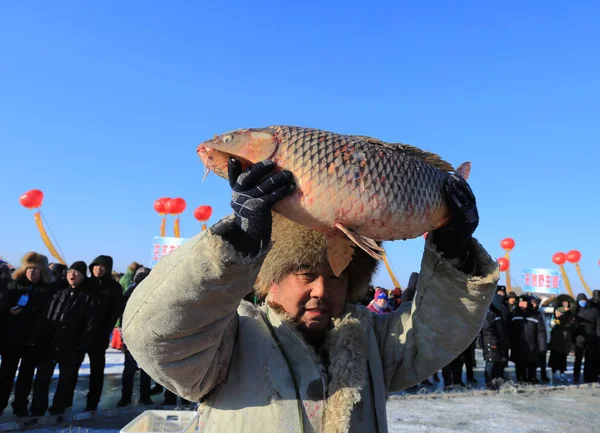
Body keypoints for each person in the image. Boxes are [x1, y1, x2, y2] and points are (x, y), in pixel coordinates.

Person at [123, 158, 499, 432]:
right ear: (271, 278)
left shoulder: (376, 342)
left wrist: (454, 252)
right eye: (305, 274)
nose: (321, 290)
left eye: (336, 277)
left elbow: (438, 331)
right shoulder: (228, 341)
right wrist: (234, 246)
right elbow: (156, 335)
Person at [26, 261, 96, 416]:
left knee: (66, 380)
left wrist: (81, 346)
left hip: (71, 345)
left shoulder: (88, 298)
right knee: (42, 378)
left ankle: (58, 409)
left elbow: (89, 326)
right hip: (49, 343)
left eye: (77, 272)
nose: (73, 274)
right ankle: (37, 409)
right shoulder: (58, 292)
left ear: (83, 276)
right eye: (71, 271)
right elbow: (45, 317)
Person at [0, 252, 54, 417]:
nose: (32, 272)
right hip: (12, 338)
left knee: (26, 375)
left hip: (34, 340)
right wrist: (10, 311)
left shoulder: (47, 290)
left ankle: (20, 406)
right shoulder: (13, 285)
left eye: (36, 269)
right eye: (29, 269)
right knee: (6, 375)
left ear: (42, 271)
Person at [83, 255, 125, 411]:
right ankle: (64, 403)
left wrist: (105, 330)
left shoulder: (114, 287)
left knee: (97, 371)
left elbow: (116, 311)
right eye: (95, 266)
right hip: (79, 334)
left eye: (102, 267)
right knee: (71, 370)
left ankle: (92, 403)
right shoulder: (86, 284)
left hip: (99, 335)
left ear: (107, 269)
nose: (98, 269)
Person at [509, 295, 547, 384]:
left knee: (531, 364)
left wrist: (542, 347)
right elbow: (509, 329)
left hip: (532, 346)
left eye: (524, 302)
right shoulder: (514, 314)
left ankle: (532, 378)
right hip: (518, 345)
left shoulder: (535, 315)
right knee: (519, 364)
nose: (521, 304)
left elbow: (541, 332)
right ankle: (520, 380)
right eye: (520, 302)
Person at [481, 292, 509, 389]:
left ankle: (496, 381)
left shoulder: (498, 314)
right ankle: (489, 382)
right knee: (490, 363)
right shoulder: (489, 315)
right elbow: (489, 330)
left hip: (498, 342)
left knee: (497, 363)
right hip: (491, 342)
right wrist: (495, 341)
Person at [573, 293, 600, 383]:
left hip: (592, 338)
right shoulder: (576, 311)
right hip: (579, 338)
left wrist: (598, 337)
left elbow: (598, 325)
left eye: (584, 301)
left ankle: (587, 376)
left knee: (589, 359)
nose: (582, 303)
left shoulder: (594, 311)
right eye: (581, 301)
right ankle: (576, 376)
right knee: (578, 359)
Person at [548, 300, 576, 382]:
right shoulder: (557, 313)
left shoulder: (569, 315)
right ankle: (554, 372)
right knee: (555, 356)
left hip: (565, 340)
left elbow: (572, 324)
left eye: (567, 305)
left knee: (563, 357)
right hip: (556, 339)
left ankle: (562, 372)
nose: (566, 307)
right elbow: (554, 321)